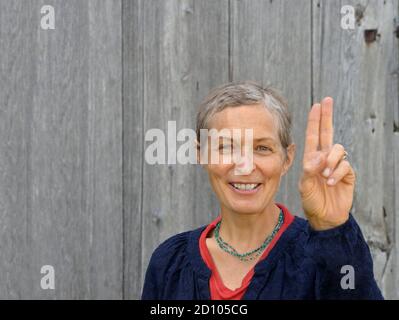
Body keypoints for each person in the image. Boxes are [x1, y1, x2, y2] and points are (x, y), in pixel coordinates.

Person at [141, 80, 383, 300]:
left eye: (262, 148)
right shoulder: (169, 264)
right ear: (200, 154)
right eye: (226, 147)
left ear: (287, 159)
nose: (245, 166)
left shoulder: (324, 256)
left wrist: (334, 230)